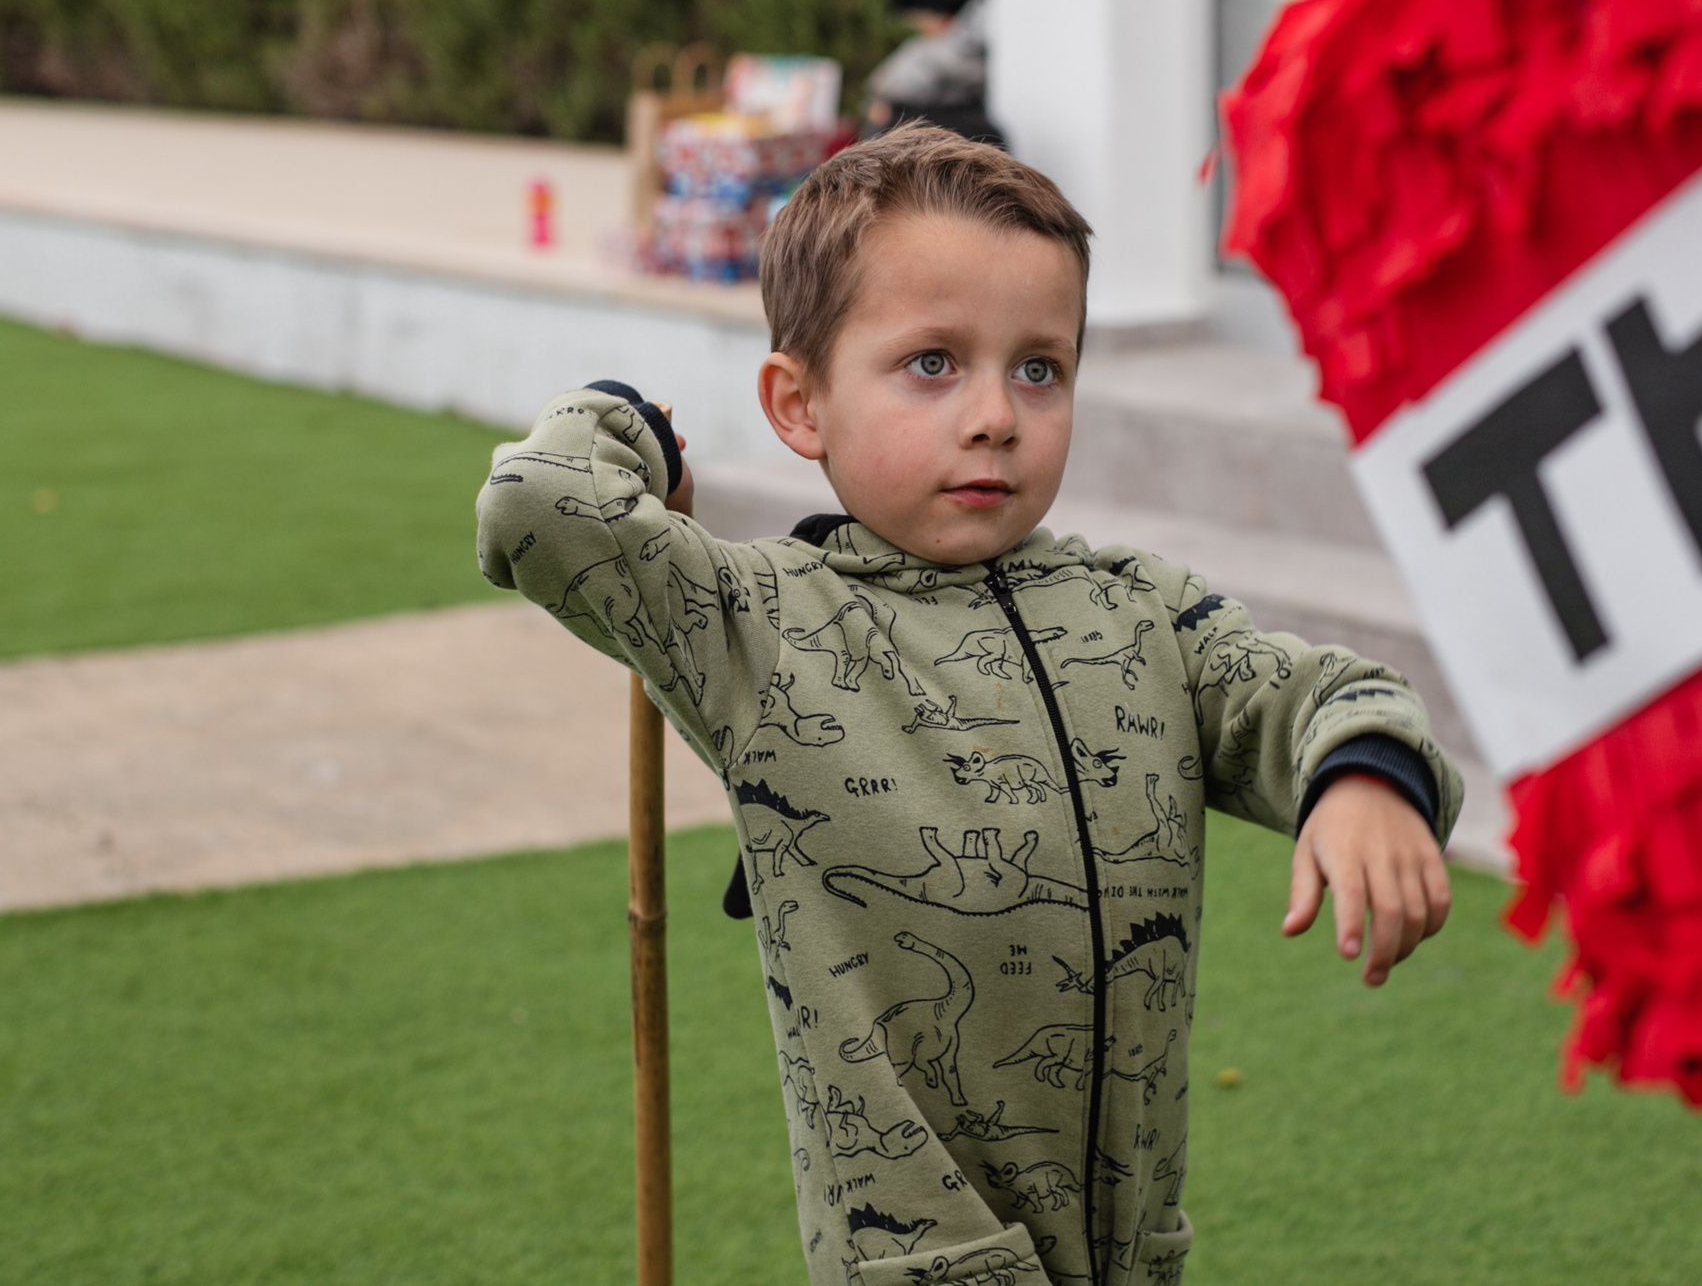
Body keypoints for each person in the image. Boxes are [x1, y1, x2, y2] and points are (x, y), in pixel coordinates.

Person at [475, 125, 1459, 1286]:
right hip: (925, 1265)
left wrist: (1359, 775)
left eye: (1038, 367)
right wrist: (626, 416)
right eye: (932, 363)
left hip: (1131, 1256)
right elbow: (537, 507)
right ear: (800, 405)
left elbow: (1322, 693)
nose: (996, 414)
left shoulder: (1141, 615)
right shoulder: (755, 624)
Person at [861, 0, 1005, 149]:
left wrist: (890, 110)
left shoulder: (944, 51)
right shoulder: (951, 46)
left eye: (919, 20)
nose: (921, 28)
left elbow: (889, 89)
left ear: (941, 15)